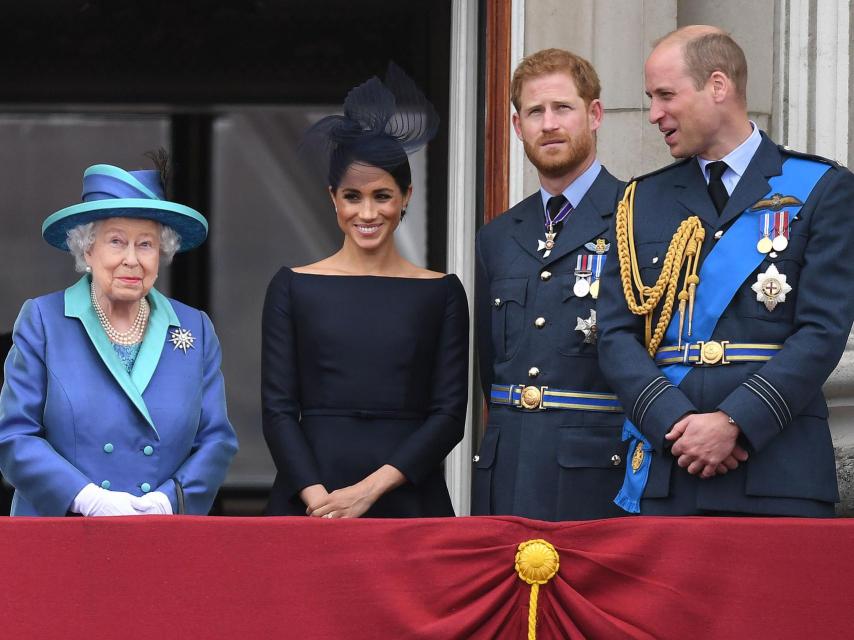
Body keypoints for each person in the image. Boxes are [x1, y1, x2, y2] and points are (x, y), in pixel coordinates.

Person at [597, 26, 854, 516]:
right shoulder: (639, 201)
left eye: (666, 95)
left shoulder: (822, 188)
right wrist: (675, 424)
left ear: (718, 86)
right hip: (668, 468)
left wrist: (735, 421)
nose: (654, 114)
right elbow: (614, 335)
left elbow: (822, 331)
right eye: (650, 99)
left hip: (778, 470)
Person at [262, 64, 468, 518]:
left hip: (407, 497)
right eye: (353, 196)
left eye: (382, 195)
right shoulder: (292, 286)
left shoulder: (442, 293)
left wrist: (368, 492)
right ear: (333, 197)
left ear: (406, 196)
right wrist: (322, 502)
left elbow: (450, 416)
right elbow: (277, 411)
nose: (367, 211)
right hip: (310, 500)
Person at [0, 158, 238, 516]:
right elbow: (13, 436)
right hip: (61, 535)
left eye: (146, 244)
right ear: (87, 250)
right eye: (116, 242)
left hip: (160, 534)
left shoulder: (195, 328)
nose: (131, 260)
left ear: (162, 254)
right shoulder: (43, 321)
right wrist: (87, 498)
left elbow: (217, 440)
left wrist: (168, 501)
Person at [472, 48, 629, 521]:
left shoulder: (636, 217)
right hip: (507, 470)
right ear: (518, 127)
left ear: (594, 114)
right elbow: (489, 368)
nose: (549, 123)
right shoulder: (498, 235)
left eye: (563, 107)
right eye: (535, 112)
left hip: (595, 475)